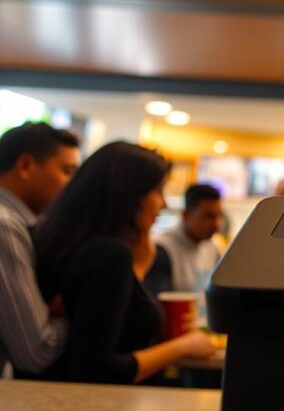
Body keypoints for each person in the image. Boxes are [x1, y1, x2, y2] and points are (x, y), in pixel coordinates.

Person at [32, 142, 217, 384]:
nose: (164, 204)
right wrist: (182, 347)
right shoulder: (109, 254)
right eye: (158, 191)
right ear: (129, 196)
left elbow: (109, 327)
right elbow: (97, 369)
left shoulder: (67, 240)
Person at [0, 123, 80, 376]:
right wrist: (90, 312)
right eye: (67, 171)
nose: (72, 185)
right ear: (25, 166)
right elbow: (36, 351)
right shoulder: (5, 226)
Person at [144, 184, 225, 318]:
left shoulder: (213, 246)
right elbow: (156, 309)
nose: (216, 224)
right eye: (208, 216)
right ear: (186, 215)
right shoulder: (162, 249)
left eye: (219, 216)